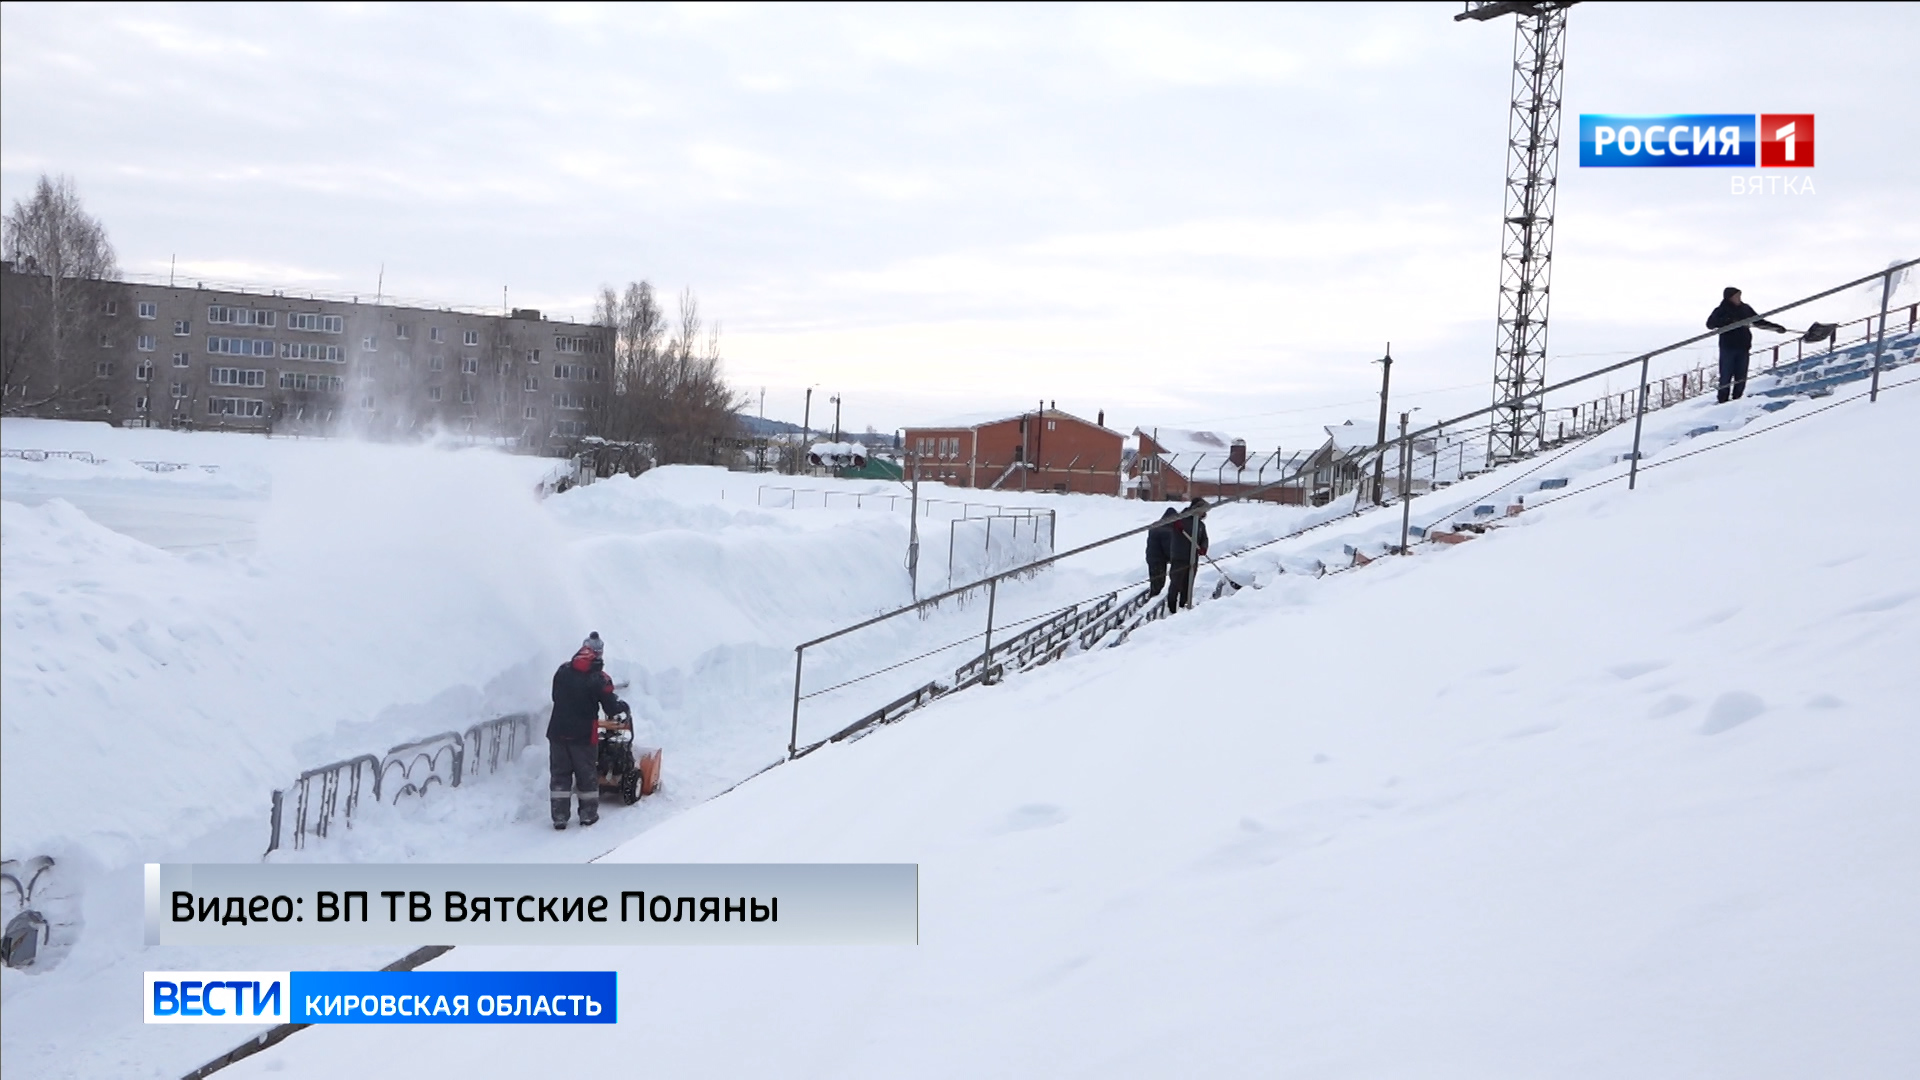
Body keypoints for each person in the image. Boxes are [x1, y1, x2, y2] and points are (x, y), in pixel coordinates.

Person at [547, 632, 628, 830]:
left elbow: (555, 695)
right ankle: (588, 815)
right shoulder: (598, 678)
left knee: (560, 775)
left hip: (557, 732)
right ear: (599, 654)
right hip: (583, 735)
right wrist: (622, 706)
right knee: (586, 775)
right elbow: (611, 707)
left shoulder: (563, 670)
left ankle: (559, 816)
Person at [1706, 287, 1787, 403]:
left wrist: (1776, 328)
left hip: (1743, 347)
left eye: (1739, 296)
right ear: (1729, 297)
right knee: (1726, 375)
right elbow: (1710, 324)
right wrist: (1727, 321)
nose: (1739, 298)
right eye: (1736, 296)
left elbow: (1759, 321)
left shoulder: (1745, 309)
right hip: (1728, 348)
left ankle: (1737, 399)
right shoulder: (1720, 310)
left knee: (1741, 376)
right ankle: (1722, 400)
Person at [1166, 498, 1210, 613]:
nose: (1204, 513)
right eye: (1203, 510)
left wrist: (1203, 547)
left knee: (1188, 584)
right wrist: (1175, 523)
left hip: (1193, 559)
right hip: (1179, 556)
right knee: (1176, 583)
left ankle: (1183, 607)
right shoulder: (1181, 518)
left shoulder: (1200, 525)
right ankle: (1171, 609)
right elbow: (1167, 522)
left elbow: (1204, 539)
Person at [1145, 508, 1178, 596]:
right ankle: (1153, 599)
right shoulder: (1166, 530)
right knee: (1159, 583)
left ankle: (1152, 594)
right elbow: (1167, 547)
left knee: (1155, 580)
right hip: (1159, 559)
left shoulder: (1156, 525)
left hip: (1151, 557)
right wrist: (1173, 558)